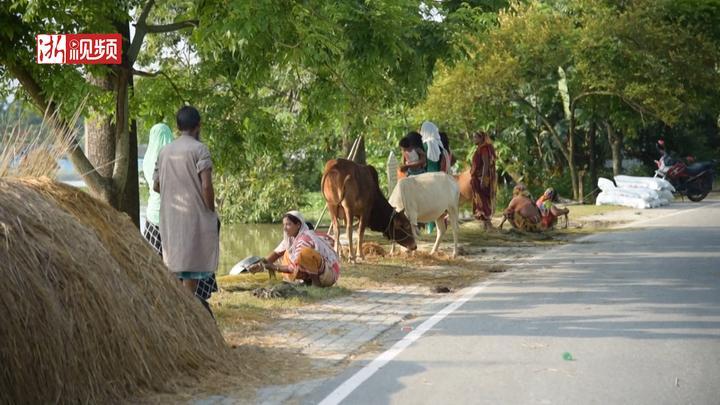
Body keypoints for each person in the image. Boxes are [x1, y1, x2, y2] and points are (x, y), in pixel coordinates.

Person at [153, 106, 219, 303]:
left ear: (177, 126)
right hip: (195, 216)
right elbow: (206, 186)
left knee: (175, 263)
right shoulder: (200, 149)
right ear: (198, 126)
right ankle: (188, 308)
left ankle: (176, 306)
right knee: (192, 267)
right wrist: (211, 211)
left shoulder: (165, 152)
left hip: (171, 217)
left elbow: (156, 185)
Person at [261, 211, 340, 287]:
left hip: (328, 274)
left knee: (305, 253)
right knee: (288, 254)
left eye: (288, 224)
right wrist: (260, 265)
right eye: (284, 225)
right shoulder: (291, 239)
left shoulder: (304, 238)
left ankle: (316, 285)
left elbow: (294, 267)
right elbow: (276, 254)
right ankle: (308, 281)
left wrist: (275, 267)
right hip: (321, 271)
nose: (284, 228)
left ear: (298, 225)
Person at [142, 123, 174, 255]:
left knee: (154, 263)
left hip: (152, 215)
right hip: (171, 216)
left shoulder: (147, 159)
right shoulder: (172, 159)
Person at [470, 130, 497, 230]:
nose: (474, 139)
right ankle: (485, 225)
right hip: (477, 177)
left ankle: (487, 223)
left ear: (481, 138)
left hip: (481, 178)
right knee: (481, 200)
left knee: (483, 200)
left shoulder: (484, 149)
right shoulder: (479, 149)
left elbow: (486, 164)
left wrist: (483, 179)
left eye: (476, 137)